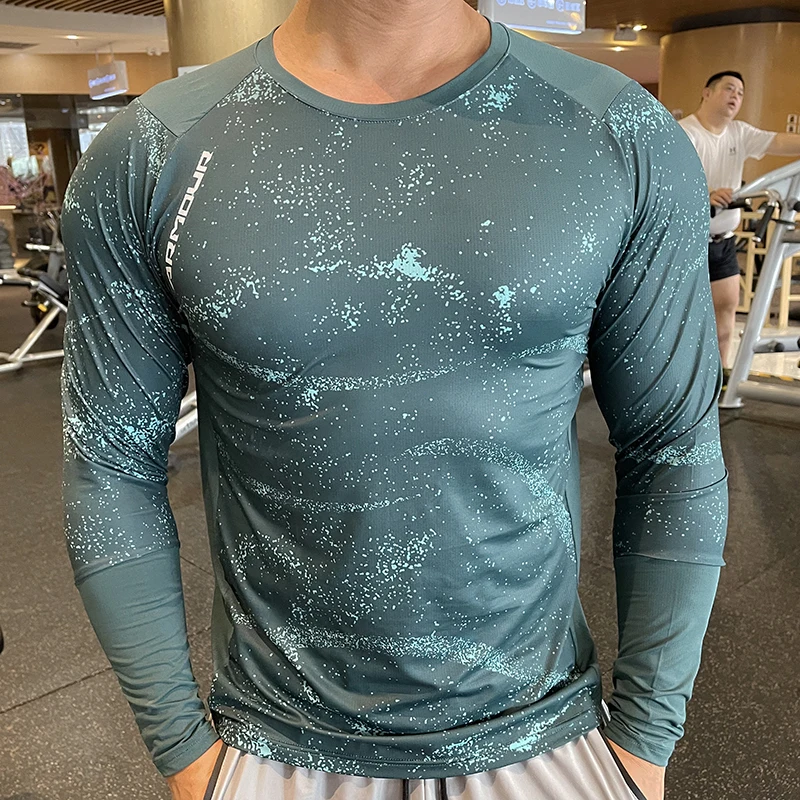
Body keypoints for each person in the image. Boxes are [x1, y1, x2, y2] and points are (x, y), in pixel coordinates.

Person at [61, 2, 728, 799]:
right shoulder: (152, 150)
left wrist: (645, 745)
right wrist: (183, 753)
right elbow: (109, 463)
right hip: (274, 745)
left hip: (544, 734)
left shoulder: (618, 133)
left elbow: (674, 446)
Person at [679, 71, 800, 369]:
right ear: (707, 92)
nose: (736, 96)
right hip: (687, 241)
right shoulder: (685, 133)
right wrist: (706, 194)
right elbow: (671, 183)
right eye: (729, 89)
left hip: (723, 242)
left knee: (725, 317)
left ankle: (721, 381)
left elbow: (780, 142)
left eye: (741, 93)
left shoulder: (739, 133)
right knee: (682, 321)